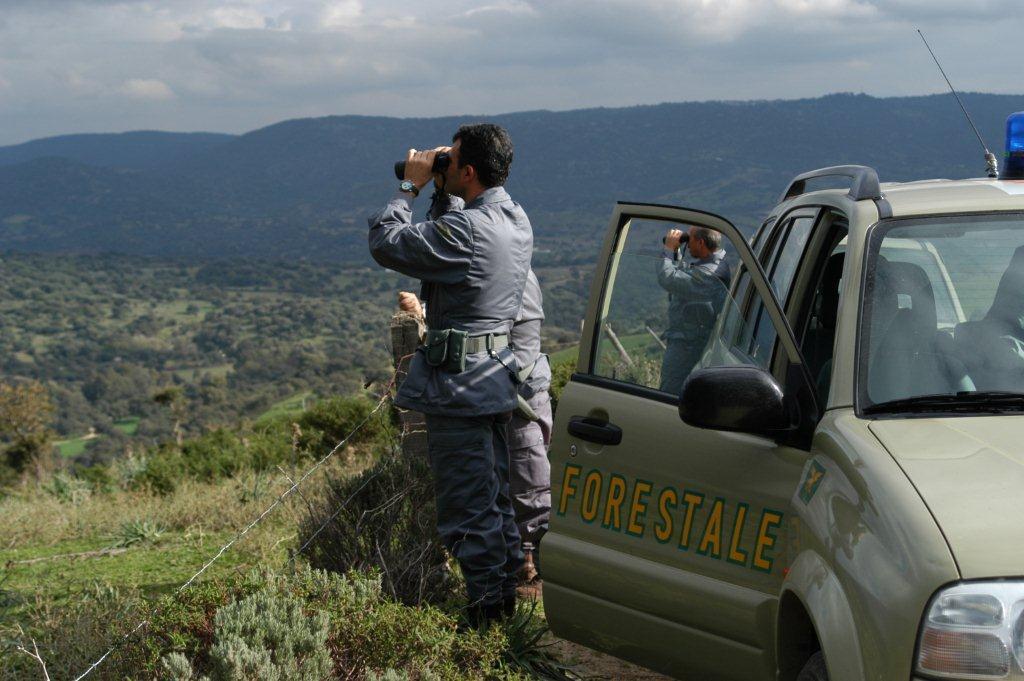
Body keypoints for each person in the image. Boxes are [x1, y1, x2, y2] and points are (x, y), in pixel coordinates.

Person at [368, 123, 532, 627]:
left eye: (451, 158)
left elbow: (387, 242)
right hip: (495, 381)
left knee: (467, 507)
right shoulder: (514, 218)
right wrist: (444, 195)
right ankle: (505, 604)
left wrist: (410, 187)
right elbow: (446, 256)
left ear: (467, 170)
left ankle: (485, 619)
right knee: (496, 500)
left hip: (460, 386)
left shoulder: (468, 229)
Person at [397, 271, 552, 592]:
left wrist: (502, 391)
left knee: (529, 480)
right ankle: (511, 571)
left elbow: (523, 345)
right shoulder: (480, 267)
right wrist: (424, 316)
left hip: (520, 394)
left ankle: (539, 566)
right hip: (489, 396)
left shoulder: (516, 273)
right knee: (496, 482)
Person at [656, 226, 731, 396]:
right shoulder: (711, 265)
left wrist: (668, 249)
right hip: (691, 341)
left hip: (688, 347)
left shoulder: (711, 273)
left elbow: (669, 279)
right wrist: (676, 252)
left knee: (670, 394)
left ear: (701, 242)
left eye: (689, 239)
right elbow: (685, 276)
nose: (687, 244)